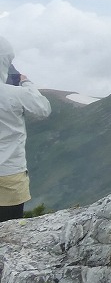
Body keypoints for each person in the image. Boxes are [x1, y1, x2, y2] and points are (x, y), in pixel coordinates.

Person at [0, 37, 52, 222]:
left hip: (10, 173)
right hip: (10, 173)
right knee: (8, 231)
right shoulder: (14, 94)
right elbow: (43, 109)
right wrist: (26, 83)